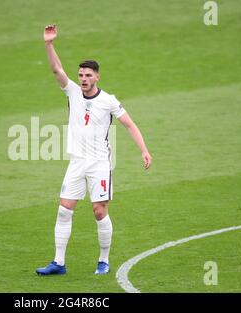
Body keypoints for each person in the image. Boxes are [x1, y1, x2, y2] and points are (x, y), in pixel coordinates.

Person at [36, 24, 152, 275]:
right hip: (77, 162)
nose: (84, 79)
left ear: (97, 76)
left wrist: (143, 150)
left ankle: (103, 260)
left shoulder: (108, 101)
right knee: (64, 209)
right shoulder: (73, 93)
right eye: (81, 75)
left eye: (88, 75)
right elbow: (56, 69)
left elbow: (129, 124)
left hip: (99, 163)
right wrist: (48, 43)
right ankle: (58, 263)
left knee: (99, 212)